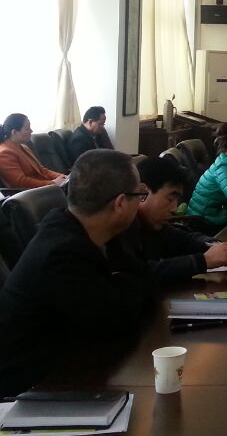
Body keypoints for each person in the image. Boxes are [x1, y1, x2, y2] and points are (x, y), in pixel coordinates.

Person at [0, 150, 153, 397]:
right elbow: (119, 318)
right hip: (31, 391)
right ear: (120, 204)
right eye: (139, 195)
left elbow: (130, 289)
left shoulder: (72, 226)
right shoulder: (62, 253)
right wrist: (129, 279)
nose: (141, 203)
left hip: (70, 364)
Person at [108, 156, 227, 284]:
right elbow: (140, 273)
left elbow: (184, 239)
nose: (174, 208)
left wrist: (214, 245)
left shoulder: (152, 224)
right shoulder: (121, 227)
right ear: (143, 192)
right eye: (170, 199)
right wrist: (204, 261)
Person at [0, 113, 66, 188]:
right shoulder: (4, 153)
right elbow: (20, 182)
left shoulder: (24, 147)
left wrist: (63, 177)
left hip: (44, 188)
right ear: (14, 132)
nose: (31, 131)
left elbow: (41, 170)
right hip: (31, 193)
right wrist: (53, 183)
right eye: (27, 128)